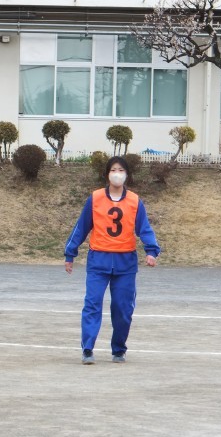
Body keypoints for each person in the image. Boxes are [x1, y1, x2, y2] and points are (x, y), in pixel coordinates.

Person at [64, 156, 160, 365]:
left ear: (127, 174)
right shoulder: (95, 198)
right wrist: (70, 253)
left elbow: (144, 228)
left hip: (125, 262)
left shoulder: (134, 201)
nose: (117, 174)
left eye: (121, 170)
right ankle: (87, 349)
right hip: (99, 260)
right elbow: (81, 227)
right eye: (113, 170)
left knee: (123, 309)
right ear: (107, 174)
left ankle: (119, 349)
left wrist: (151, 251)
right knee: (92, 304)